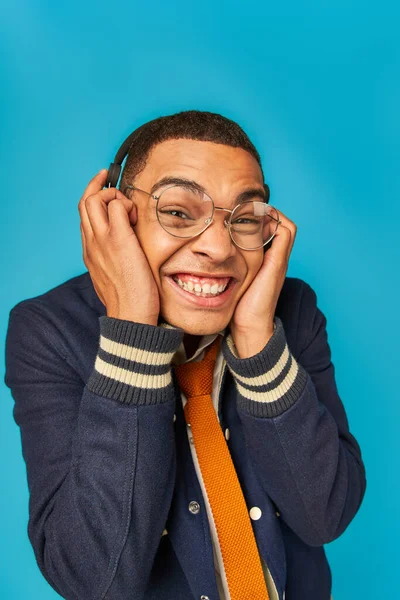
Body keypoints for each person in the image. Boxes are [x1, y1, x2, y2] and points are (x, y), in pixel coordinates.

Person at [4, 110, 366, 600]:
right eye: (177, 212)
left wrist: (258, 337)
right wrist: (132, 325)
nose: (218, 248)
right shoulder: (47, 330)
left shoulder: (292, 310)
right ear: (114, 216)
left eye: (244, 218)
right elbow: (94, 581)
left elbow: (325, 514)